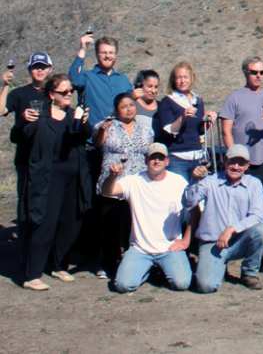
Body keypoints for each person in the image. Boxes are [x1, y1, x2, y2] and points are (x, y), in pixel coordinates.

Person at [12, 74, 93, 290]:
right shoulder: (41, 117)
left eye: (71, 91)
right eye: (64, 92)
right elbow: (17, 137)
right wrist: (22, 120)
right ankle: (32, 275)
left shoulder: (73, 115)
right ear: (52, 95)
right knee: (45, 225)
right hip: (49, 179)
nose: (69, 95)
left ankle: (60, 266)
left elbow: (88, 135)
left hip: (73, 178)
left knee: (69, 223)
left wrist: (84, 121)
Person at [102, 142, 192, 293]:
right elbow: (107, 191)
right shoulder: (133, 181)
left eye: (160, 158)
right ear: (146, 160)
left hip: (170, 248)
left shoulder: (178, 181)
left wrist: (186, 240)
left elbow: (196, 211)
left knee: (182, 283)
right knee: (123, 286)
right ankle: (146, 270)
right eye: (153, 158)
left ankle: (161, 268)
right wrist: (112, 177)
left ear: (167, 161)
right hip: (140, 248)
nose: (156, 161)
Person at [183, 144, 263, 292]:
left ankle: (249, 272)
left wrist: (232, 229)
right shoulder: (209, 181)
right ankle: (218, 267)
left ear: (247, 166)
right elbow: (188, 203)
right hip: (213, 243)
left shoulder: (254, 184)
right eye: (232, 162)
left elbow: (257, 216)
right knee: (206, 286)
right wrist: (194, 181)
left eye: (241, 163)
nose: (236, 167)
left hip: (239, 241)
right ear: (224, 161)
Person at [93, 91, 155, 280]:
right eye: (124, 106)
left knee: (132, 225)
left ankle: (132, 263)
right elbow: (97, 143)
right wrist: (103, 129)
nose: (129, 109)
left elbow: (151, 152)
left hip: (137, 183)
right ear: (116, 110)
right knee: (110, 225)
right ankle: (107, 264)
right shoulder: (106, 126)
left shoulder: (145, 128)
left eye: (131, 105)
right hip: (113, 182)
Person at [2, 51, 53, 258]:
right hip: (25, 159)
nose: (39, 70)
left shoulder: (55, 93)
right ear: (30, 70)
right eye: (35, 67)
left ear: (50, 69)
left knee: (49, 205)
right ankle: (24, 251)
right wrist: (5, 84)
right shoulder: (20, 94)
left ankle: (45, 252)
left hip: (50, 159)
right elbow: (1, 110)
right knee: (26, 206)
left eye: (43, 66)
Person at [220, 56, 263, 199]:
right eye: (254, 72)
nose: (259, 75)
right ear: (245, 72)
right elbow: (226, 131)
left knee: (259, 201)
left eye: (262, 72)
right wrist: (235, 157)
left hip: (262, 160)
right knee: (237, 200)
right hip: (239, 162)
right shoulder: (234, 98)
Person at [154, 61, 207, 181]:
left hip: (197, 156)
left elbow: (199, 130)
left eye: (185, 77)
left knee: (197, 194)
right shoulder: (168, 101)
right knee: (179, 195)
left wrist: (208, 119)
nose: (182, 81)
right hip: (177, 157)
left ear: (191, 78)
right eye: (179, 78)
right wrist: (183, 117)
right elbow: (168, 130)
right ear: (173, 80)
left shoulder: (197, 100)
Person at [69, 34, 132, 123]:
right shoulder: (87, 77)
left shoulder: (123, 80)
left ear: (116, 55)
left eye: (111, 53)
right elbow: (73, 80)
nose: (107, 56)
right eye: (103, 52)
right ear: (97, 54)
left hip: (118, 133)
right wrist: (82, 49)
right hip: (92, 133)